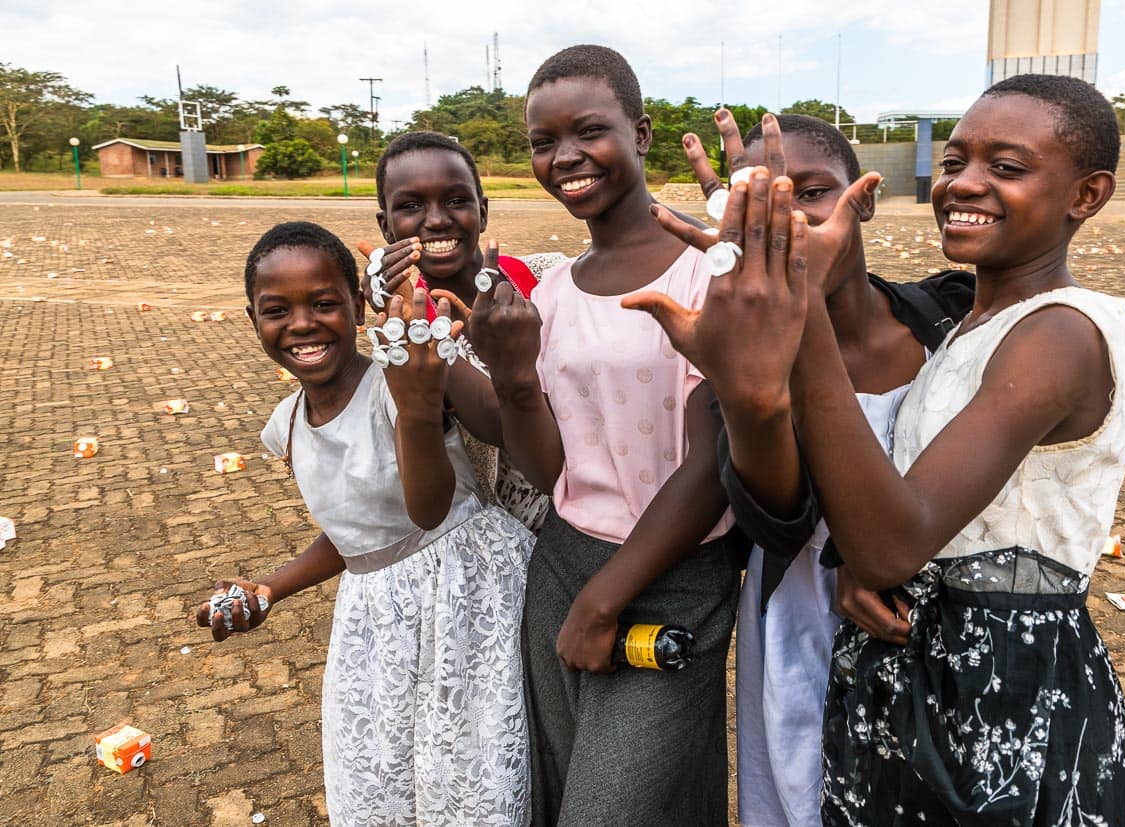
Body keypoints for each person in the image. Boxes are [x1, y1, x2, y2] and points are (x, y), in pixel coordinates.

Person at [633, 74, 1125, 825]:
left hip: (999, 692)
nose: (965, 183)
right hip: (918, 667)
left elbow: (890, 543)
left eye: (1006, 168)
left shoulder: (1059, 334)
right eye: (955, 162)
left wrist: (797, 299)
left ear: (1087, 195)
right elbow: (914, 515)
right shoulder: (968, 323)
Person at [666, 111, 973, 827]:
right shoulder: (741, 363)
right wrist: (754, 396)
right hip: (801, 620)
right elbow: (777, 519)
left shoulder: (949, 319)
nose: (789, 218)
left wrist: (893, 555)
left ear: (861, 197)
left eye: (810, 192)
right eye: (762, 201)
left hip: (943, 625)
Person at [465, 44, 746, 825]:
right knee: (578, 789)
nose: (564, 158)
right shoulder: (553, 290)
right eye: (541, 142)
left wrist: (603, 598)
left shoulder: (704, 269)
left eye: (587, 131)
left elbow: (713, 458)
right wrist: (515, 375)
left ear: (642, 133)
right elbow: (550, 465)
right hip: (565, 560)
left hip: (674, 570)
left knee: (607, 807)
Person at [194, 221, 534, 826]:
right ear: (253, 321)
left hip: (462, 592)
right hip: (376, 617)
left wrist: (418, 409)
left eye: (323, 303)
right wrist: (268, 589)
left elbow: (425, 510)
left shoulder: (399, 381)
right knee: (381, 773)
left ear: (357, 306)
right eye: (277, 310)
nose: (301, 324)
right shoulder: (288, 424)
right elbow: (354, 536)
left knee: (464, 772)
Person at [362, 130, 565, 532]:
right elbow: (495, 426)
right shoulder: (404, 342)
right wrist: (411, 323)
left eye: (456, 200)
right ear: (386, 227)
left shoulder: (549, 277)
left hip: (603, 513)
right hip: (514, 542)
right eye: (410, 205)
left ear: (483, 211)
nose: (437, 220)